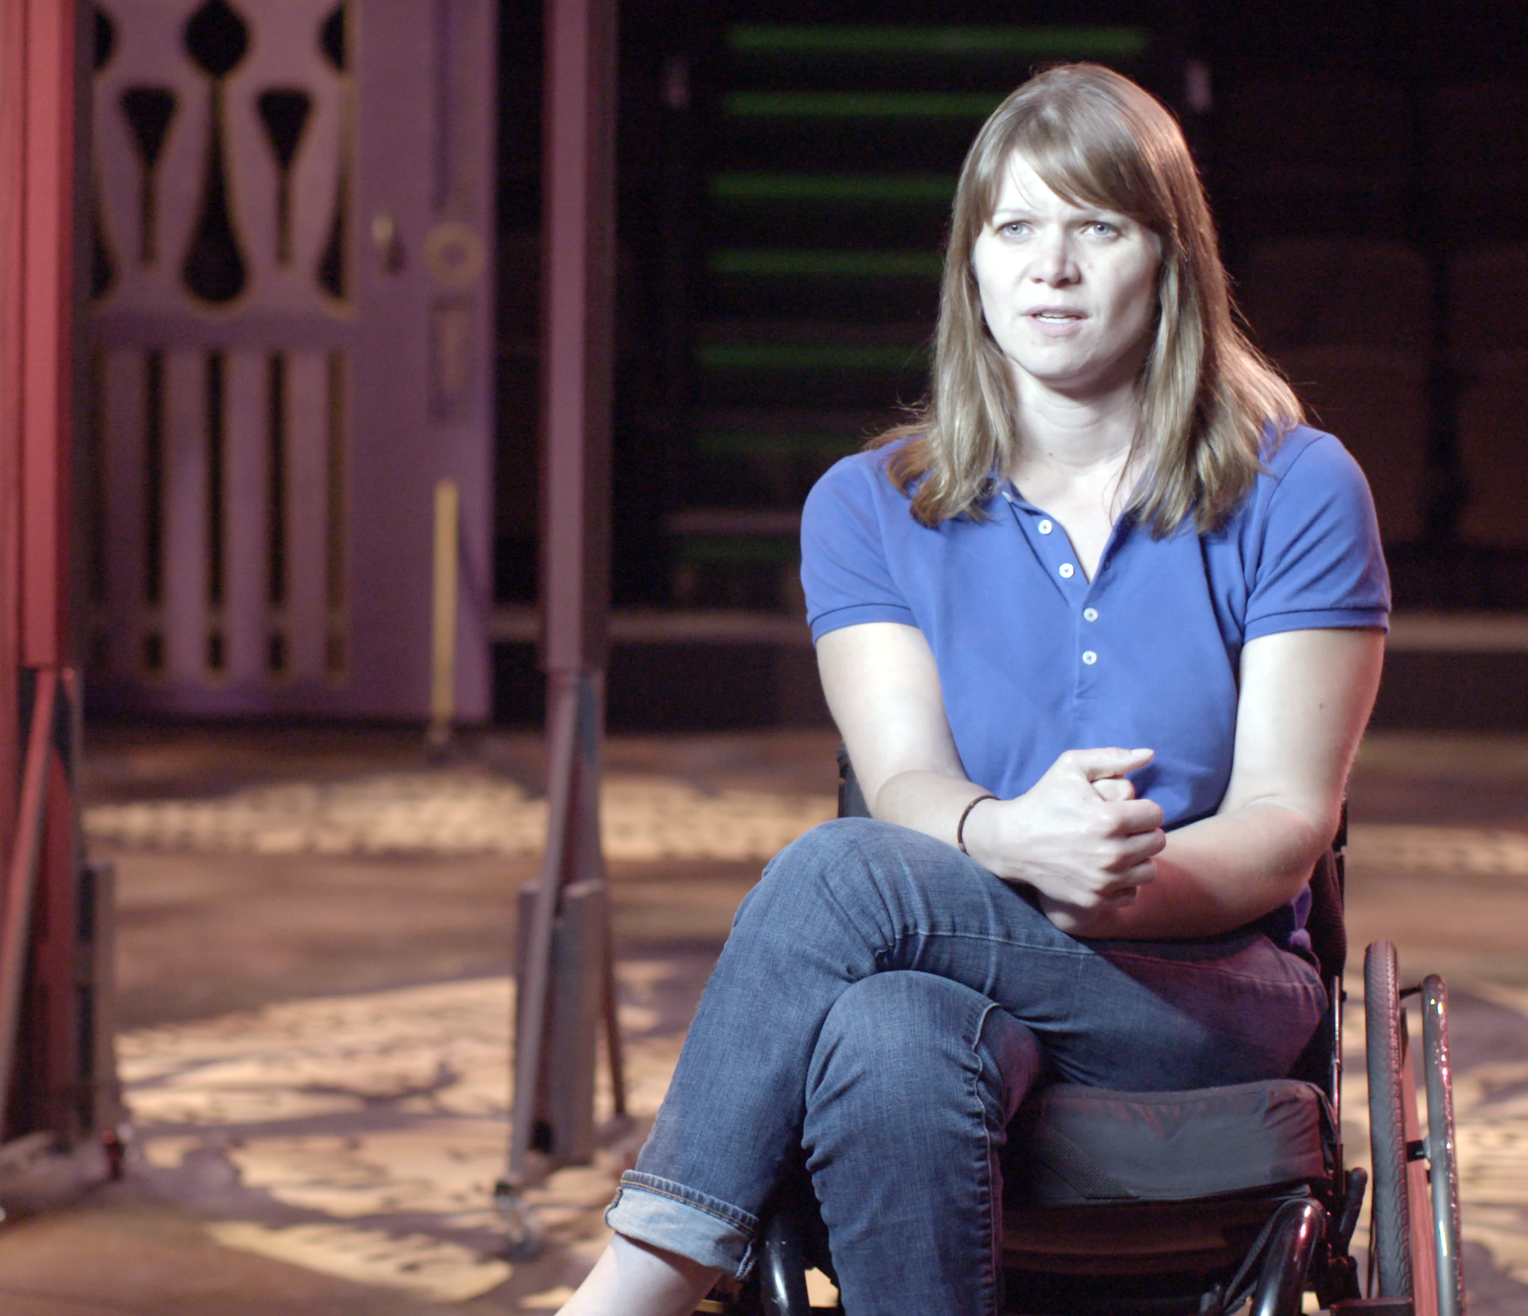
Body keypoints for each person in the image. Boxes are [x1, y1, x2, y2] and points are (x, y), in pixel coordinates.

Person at [560, 62, 1387, 1316]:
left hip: (1205, 989)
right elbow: (903, 778)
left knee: (838, 873)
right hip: (959, 972)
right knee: (887, 1033)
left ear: (1169, 259)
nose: (1049, 267)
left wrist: (1116, 881)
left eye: (1095, 227)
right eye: (1014, 228)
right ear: (972, 265)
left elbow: (1284, 820)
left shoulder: (1297, 487)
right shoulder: (868, 505)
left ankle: (645, 1274)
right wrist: (1015, 843)